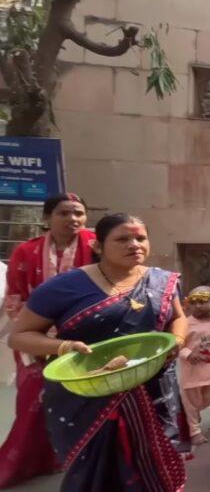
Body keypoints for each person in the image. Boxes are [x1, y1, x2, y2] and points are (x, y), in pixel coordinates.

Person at [9, 214, 191, 492]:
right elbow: (19, 336)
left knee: (155, 471)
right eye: (122, 239)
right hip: (91, 394)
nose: (135, 245)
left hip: (154, 390)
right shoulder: (64, 287)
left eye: (141, 238)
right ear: (98, 246)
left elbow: (178, 317)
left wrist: (177, 339)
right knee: (99, 477)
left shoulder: (162, 280)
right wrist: (64, 347)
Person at [0, 193, 96, 489]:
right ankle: (32, 460)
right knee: (34, 399)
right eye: (64, 213)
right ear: (47, 218)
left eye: (79, 213)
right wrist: (41, 331)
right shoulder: (25, 252)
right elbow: (15, 298)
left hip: (87, 336)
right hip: (36, 337)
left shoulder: (96, 245)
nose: (73, 220)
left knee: (85, 399)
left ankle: (78, 456)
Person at [178, 286, 210, 446]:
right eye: (194, 302)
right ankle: (195, 432)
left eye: (203, 302)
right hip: (191, 371)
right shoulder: (185, 324)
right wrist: (188, 354)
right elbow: (176, 345)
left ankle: (193, 412)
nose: (198, 306)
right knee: (190, 402)